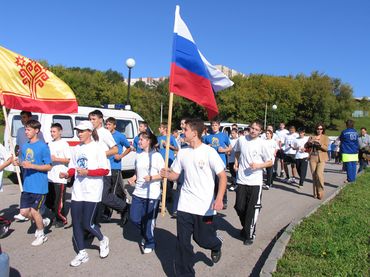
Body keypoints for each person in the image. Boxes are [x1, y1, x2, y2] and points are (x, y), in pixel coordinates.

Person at [160, 118, 227, 276]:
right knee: (183, 243)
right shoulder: (183, 152)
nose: (183, 131)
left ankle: (216, 245)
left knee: (203, 240)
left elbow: (223, 177)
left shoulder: (209, 152)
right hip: (185, 205)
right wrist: (166, 174)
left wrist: (218, 199)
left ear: (194, 133)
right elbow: (175, 175)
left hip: (204, 207)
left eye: (186, 130)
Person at [60, 121, 110, 267]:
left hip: (93, 191)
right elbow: (72, 168)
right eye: (78, 131)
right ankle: (82, 253)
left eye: (82, 131)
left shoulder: (98, 148)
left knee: (87, 223)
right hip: (78, 191)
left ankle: (102, 239)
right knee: (76, 223)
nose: (79, 134)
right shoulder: (75, 149)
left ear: (89, 131)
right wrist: (67, 174)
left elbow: (105, 170)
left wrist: (88, 172)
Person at [234, 121, 273, 245]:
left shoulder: (262, 144)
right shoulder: (241, 140)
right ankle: (246, 227)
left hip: (255, 182)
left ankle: (249, 235)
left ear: (260, 131)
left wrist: (259, 165)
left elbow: (270, 162)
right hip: (241, 179)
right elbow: (237, 151)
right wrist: (236, 162)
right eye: (252, 128)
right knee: (239, 207)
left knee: (252, 209)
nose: (253, 131)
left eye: (256, 129)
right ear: (249, 128)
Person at [14, 119, 52, 246]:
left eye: (28, 129)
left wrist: (33, 166)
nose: (26, 132)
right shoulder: (25, 146)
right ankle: (42, 220)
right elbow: (24, 162)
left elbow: (48, 166)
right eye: (25, 129)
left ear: (36, 131)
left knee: (35, 211)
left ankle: (41, 234)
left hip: (39, 186)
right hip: (27, 184)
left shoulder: (43, 147)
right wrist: (18, 162)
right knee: (24, 212)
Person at [128, 132, 164, 254]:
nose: (139, 141)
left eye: (142, 139)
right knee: (134, 219)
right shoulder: (139, 156)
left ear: (148, 141)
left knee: (148, 221)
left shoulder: (157, 156)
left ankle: (150, 241)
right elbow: (137, 172)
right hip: (138, 192)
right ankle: (145, 233)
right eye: (139, 139)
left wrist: (152, 177)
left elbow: (163, 174)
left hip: (152, 194)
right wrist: (134, 177)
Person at [88, 110, 122, 223]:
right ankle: (93, 219)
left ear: (100, 120)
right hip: (92, 169)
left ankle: (125, 207)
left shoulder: (105, 132)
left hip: (104, 169)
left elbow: (115, 149)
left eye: (94, 119)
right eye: (90, 119)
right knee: (93, 196)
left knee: (104, 197)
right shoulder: (89, 132)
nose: (91, 121)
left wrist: (101, 154)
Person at [14, 111, 45, 221]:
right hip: (23, 163)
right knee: (25, 185)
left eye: (24, 117)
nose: (22, 119)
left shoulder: (38, 133)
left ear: (29, 117)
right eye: (21, 117)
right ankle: (25, 210)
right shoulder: (19, 131)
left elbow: (41, 147)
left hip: (33, 163)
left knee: (35, 186)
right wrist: (17, 155)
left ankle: (37, 210)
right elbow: (18, 145)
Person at [105, 117, 131, 225]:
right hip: (105, 167)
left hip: (115, 167)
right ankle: (107, 214)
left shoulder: (120, 136)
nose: (107, 126)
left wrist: (120, 156)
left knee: (114, 192)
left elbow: (129, 147)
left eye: (109, 124)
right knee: (107, 192)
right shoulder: (104, 135)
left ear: (114, 126)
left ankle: (124, 210)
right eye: (106, 124)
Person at [46, 123, 71, 228]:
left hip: (59, 176)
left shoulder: (64, 144)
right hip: (50, 176)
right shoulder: (50, 144)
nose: (52, 134)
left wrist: (56, 159)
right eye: (51, 131)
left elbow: (68, 159)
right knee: (49, 200)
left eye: (54, 131)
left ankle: (61, 219)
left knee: (58, 200)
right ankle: (55, 214)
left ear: (60, 132)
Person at [203, 120, 231, 208]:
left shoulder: (223, 136)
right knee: (212, 182)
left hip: (221, 162)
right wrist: (207, 147)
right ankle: (214, 199)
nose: (214, 127)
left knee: (221, 181)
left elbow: (230, 148)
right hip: (210, 162)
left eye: (216, 125)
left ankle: (224, 200)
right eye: (213, 125)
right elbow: (202, 148)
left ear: (219, 126)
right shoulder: (207, 137)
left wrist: (224, 150)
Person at [305, 123, 329, 199]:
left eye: (321, 129)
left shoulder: (325, 137)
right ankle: (315, 193)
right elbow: (305, 146)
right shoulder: (312, 137)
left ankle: (320, 191)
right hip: (312, 157)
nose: (319, 130)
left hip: (321, 157)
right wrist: (309, 143)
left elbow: (326, 148)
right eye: (318, 129)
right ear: (316, 129)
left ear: (323, 130)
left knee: (319, 174)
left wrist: (320, 144)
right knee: (314, 175)